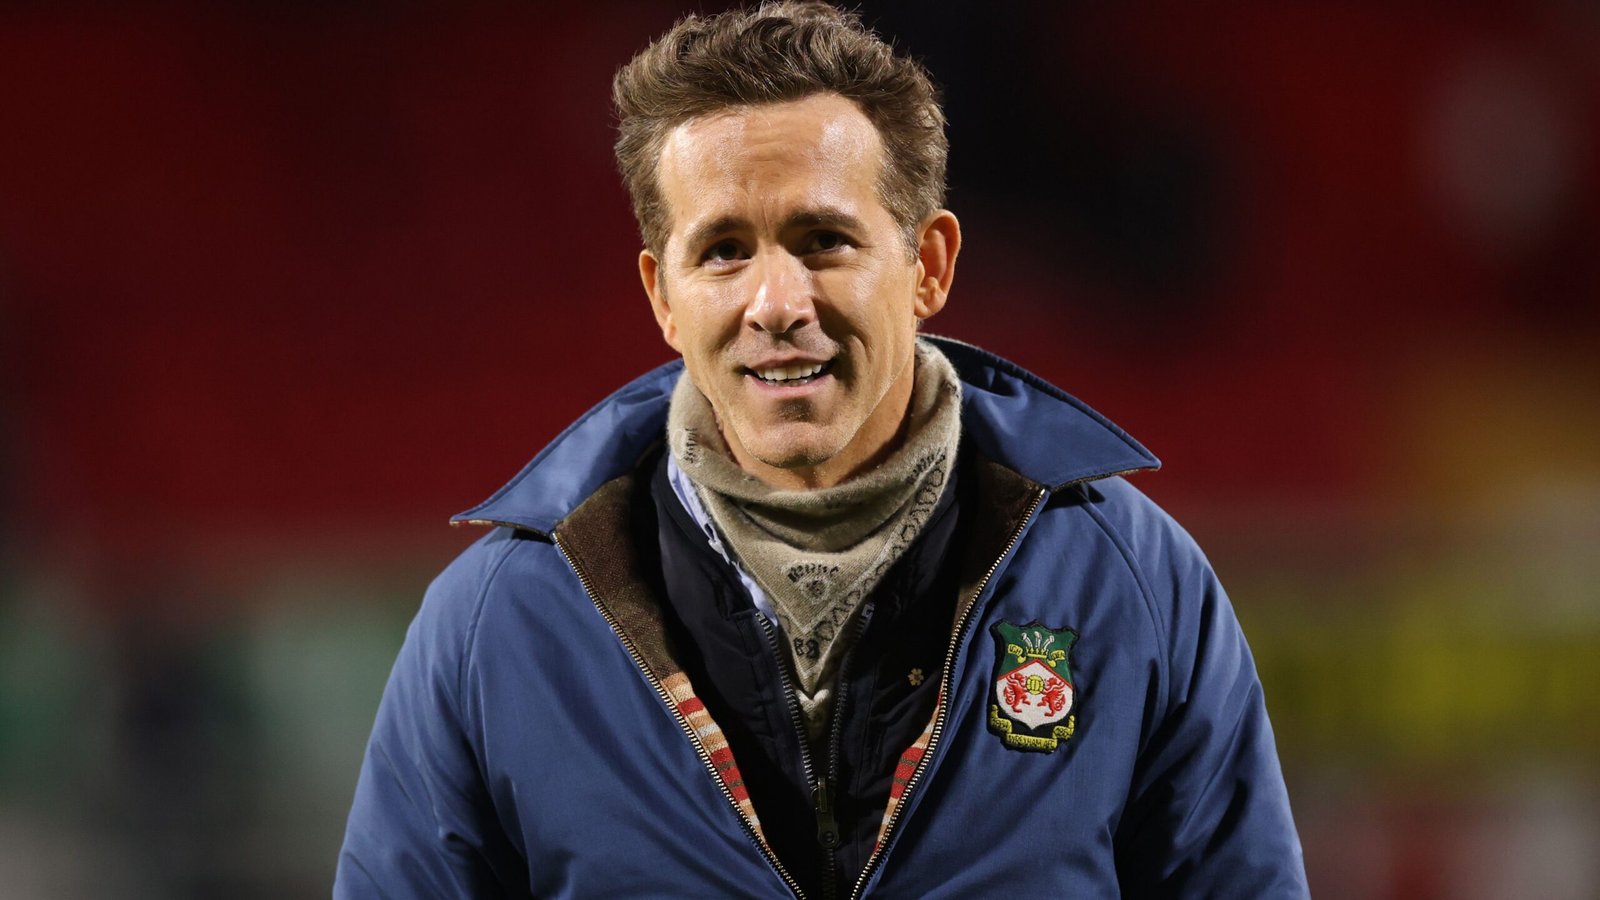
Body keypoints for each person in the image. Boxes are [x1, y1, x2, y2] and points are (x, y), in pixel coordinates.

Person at [335, 3, 1308, 897]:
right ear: (660, 295)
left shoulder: (1129, 584)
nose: (776, 305)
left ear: (927, 266)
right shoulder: (495, 626)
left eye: (824, 241)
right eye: (722, 251)